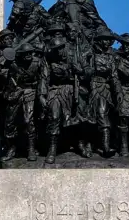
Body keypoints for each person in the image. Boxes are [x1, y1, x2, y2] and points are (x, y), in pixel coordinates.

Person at [39, 27, 79, 163]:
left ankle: (83, 144)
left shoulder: (73, 55)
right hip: (55, 90)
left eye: (61, 48)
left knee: (82, 114)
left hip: (72, 89)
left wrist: (80, 71)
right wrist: (42, 95)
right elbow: (44, 77)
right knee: (54, 117)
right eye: (56, 49)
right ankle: (52, 149)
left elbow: (85, 71)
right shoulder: (48, 59)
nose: (59, 51)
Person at [2, 42, 43, 162]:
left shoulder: (38, 62)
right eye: (26, 53)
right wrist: (9, 94)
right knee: (9, 123)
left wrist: (41, 95)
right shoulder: (14, 64)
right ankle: (11, 149)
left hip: (31, 91)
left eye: (30, 53)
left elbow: (43, 80)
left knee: (28, 120)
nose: (28, 55)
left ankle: (31, 149)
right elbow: (9, 80)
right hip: (17, 92)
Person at [89, 27, 120, 157]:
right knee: (101, 115)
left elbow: (114, 76)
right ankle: (104, 147)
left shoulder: (111, 57)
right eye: (105, 39)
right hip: (94, 87)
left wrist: (118, 92)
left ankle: (107, 144)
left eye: (109, 40)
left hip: (107, 89)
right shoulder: (91, 54)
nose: (107, 42)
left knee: (108, 116)